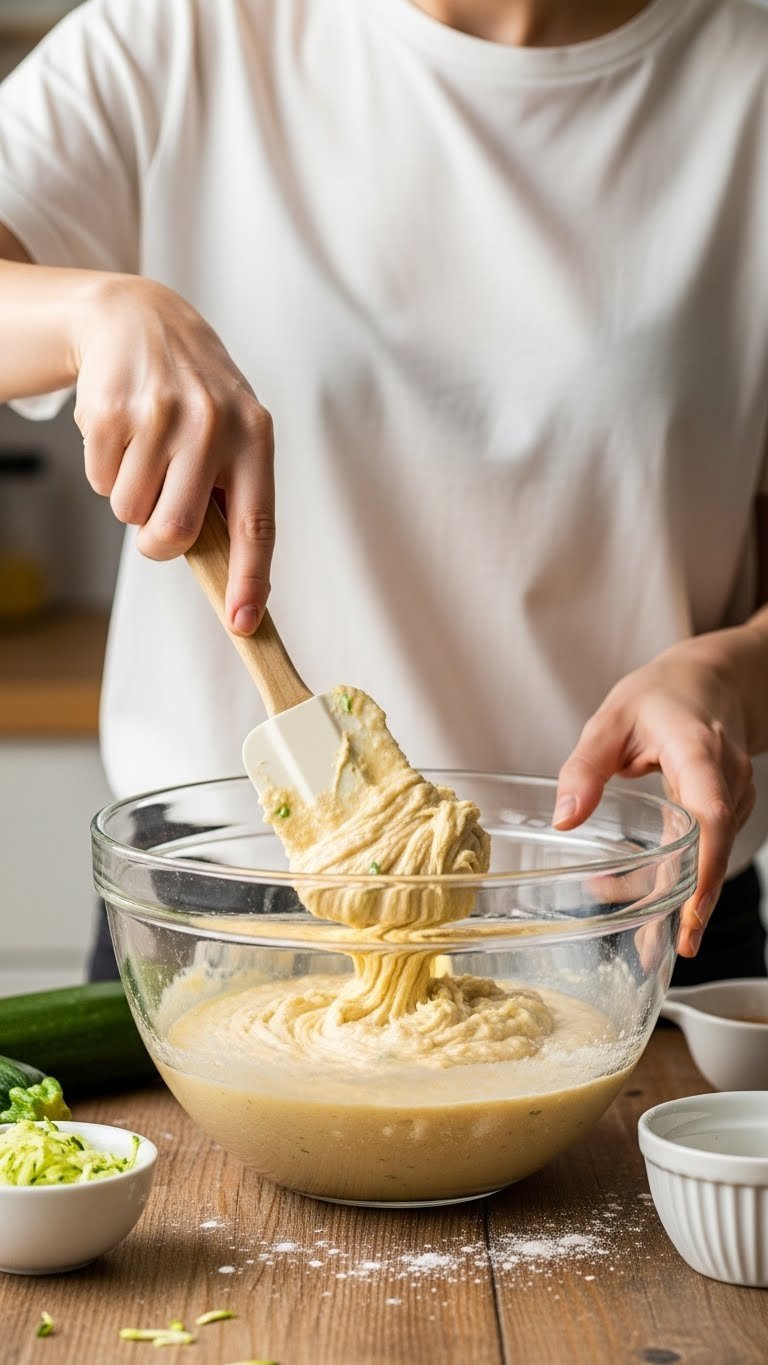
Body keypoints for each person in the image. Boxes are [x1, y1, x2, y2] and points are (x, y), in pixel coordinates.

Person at [0, 0, 766, 984]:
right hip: (227, 928)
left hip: (644, 927)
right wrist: (90, 311)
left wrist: (734, 679)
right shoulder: (183, 34)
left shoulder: (746, 88)